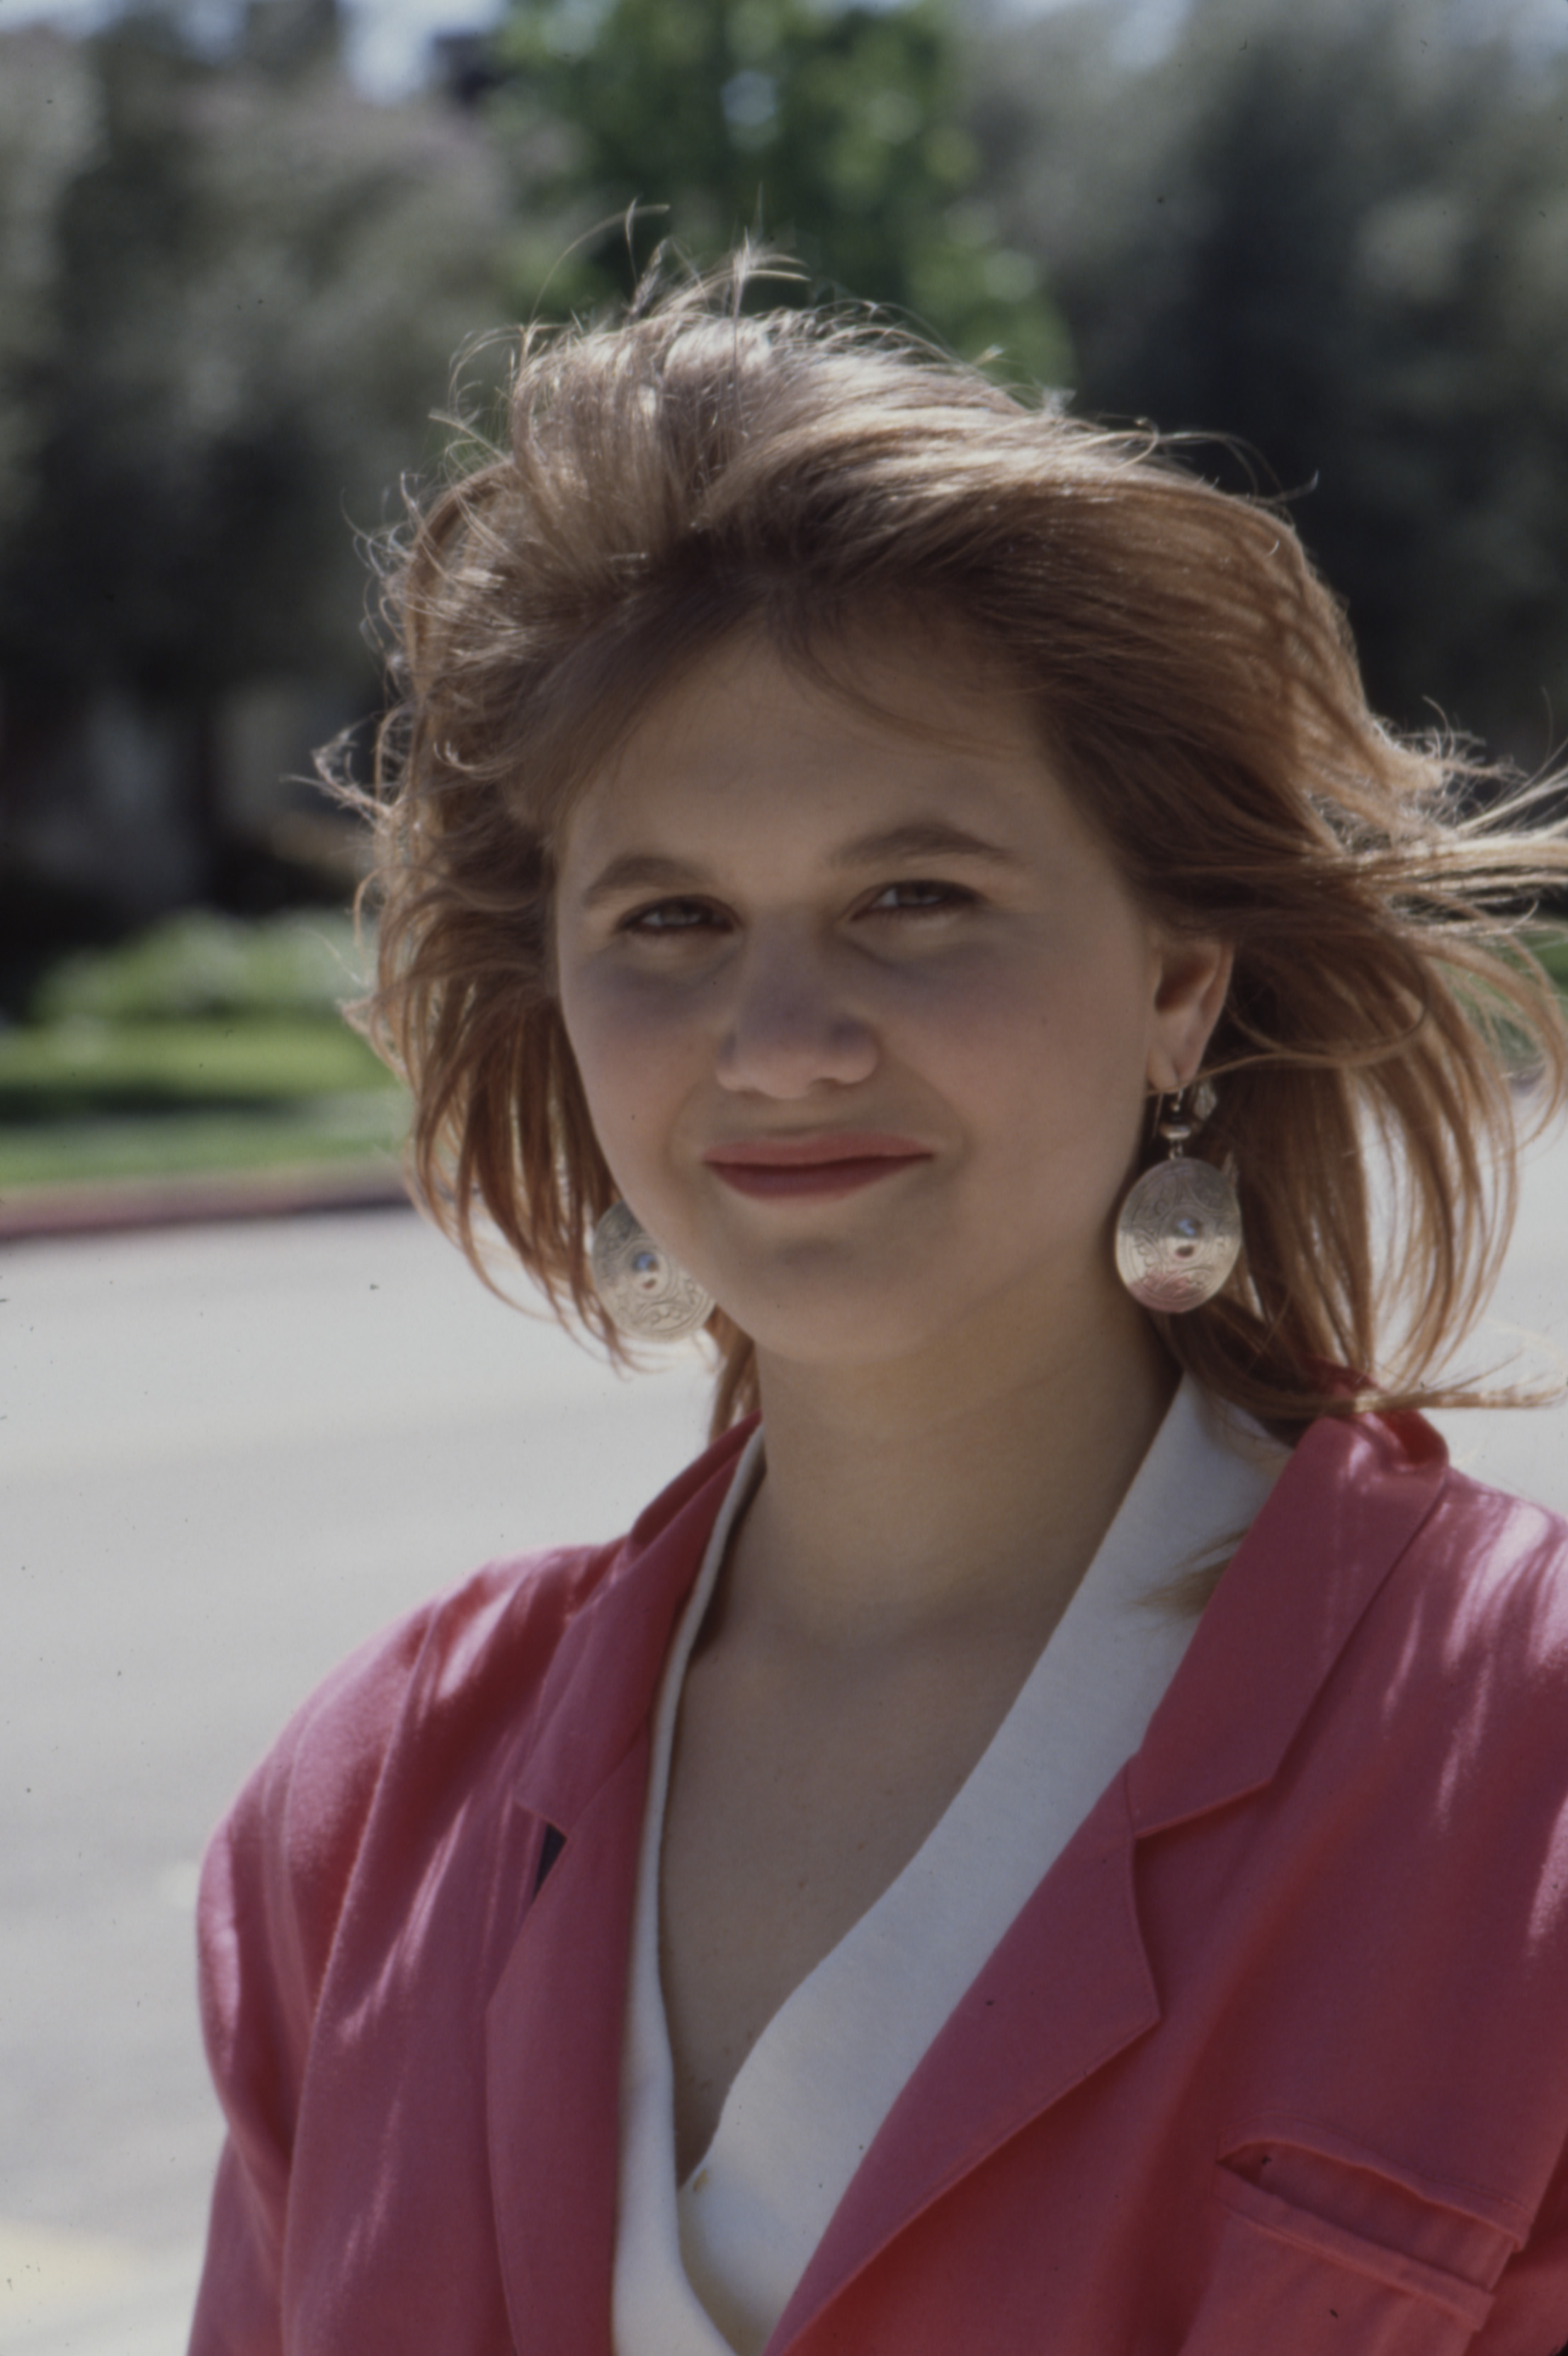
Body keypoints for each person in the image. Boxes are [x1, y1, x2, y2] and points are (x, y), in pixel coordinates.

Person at [189, 256, 1568, 2356]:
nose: (785, 1037)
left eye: (915, 896)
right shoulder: (372, 1810)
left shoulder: (1518, 1764)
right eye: (668, 918)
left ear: (1180, 982)